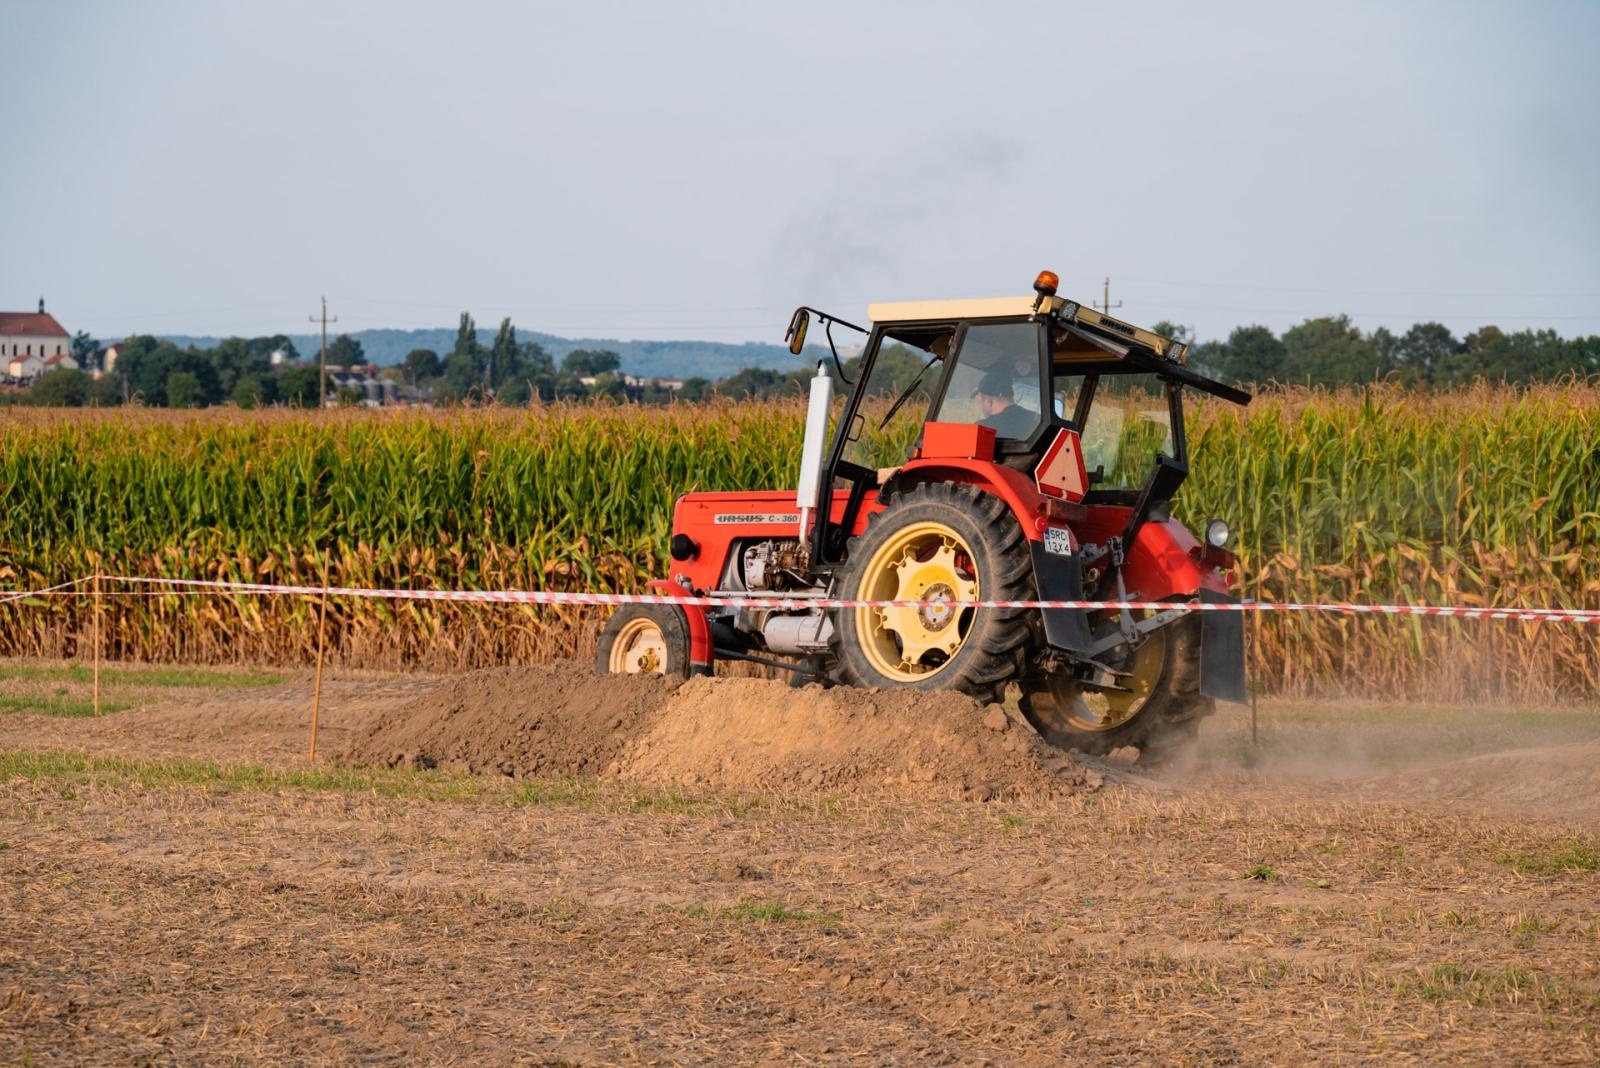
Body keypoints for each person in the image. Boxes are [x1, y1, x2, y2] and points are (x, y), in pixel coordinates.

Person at [974, 367, 1038, 438]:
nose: (980, 407)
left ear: (988, 400)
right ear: (1011, 395)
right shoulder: (1036, 419)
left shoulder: (983, 428)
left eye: (980, 402)